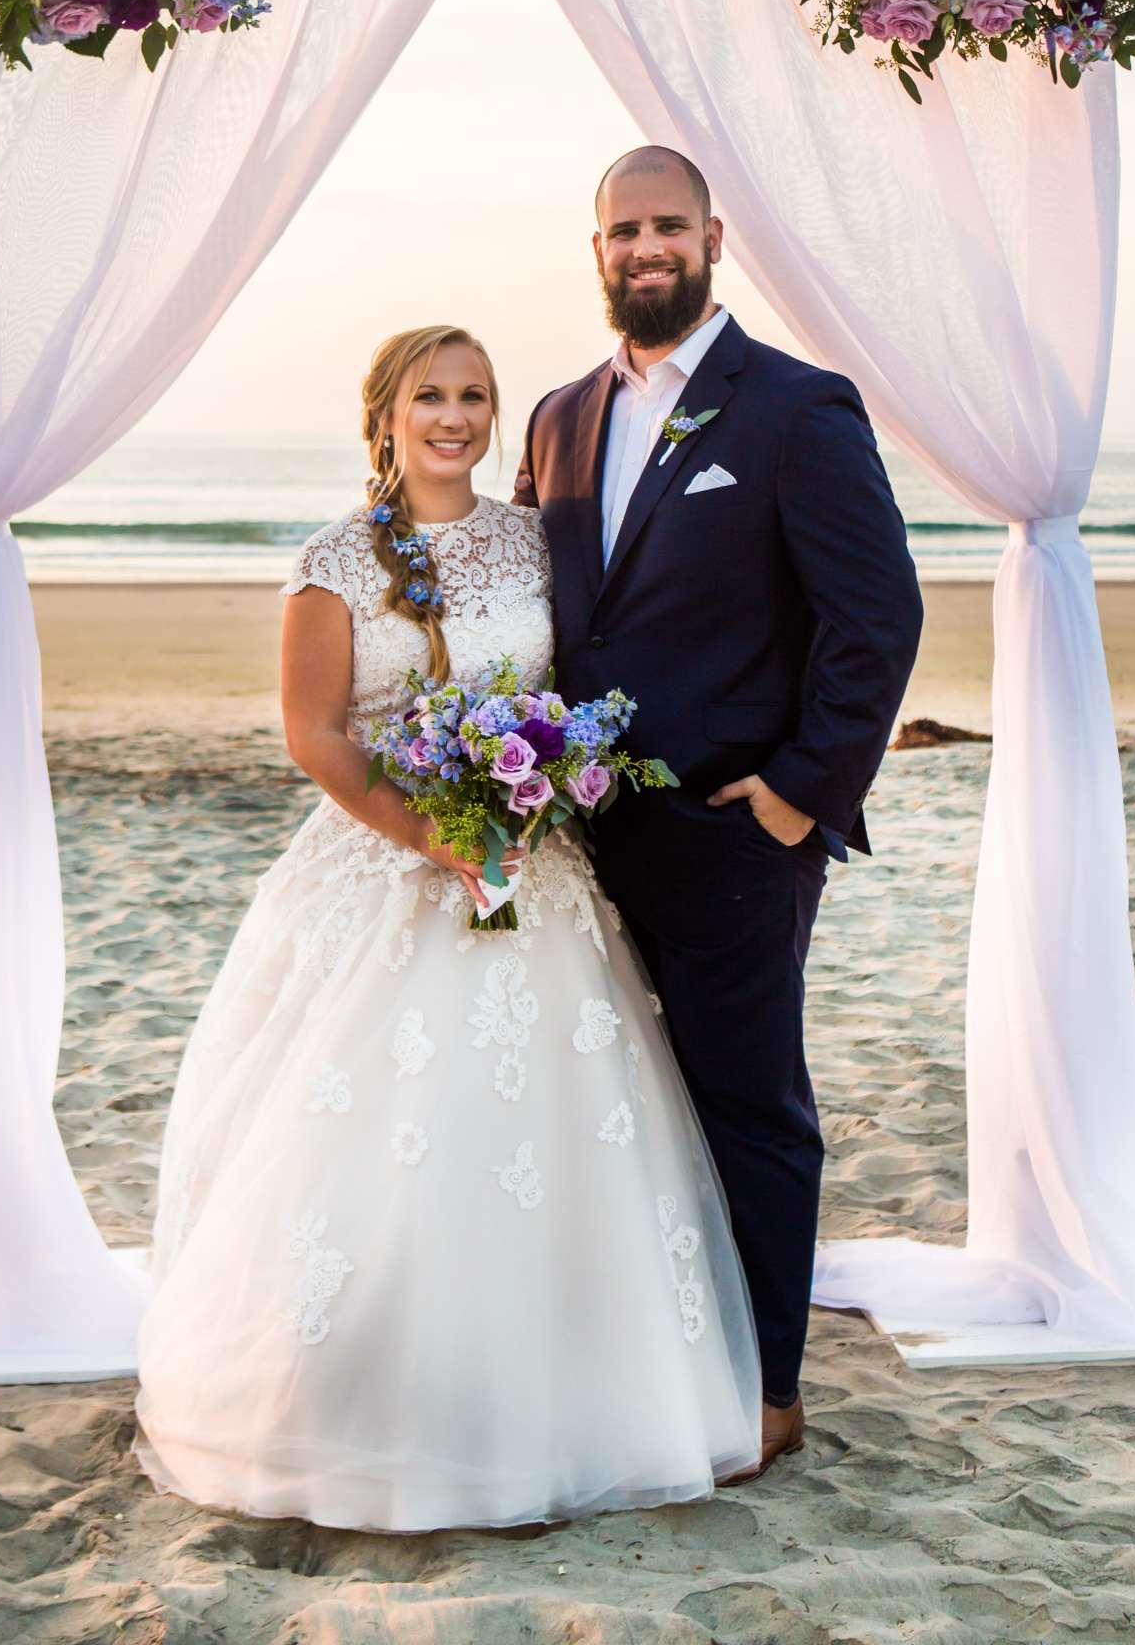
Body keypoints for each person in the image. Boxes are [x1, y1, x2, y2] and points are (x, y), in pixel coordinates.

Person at [134, 324, 762, 1531]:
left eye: (476, 396)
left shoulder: (536, 546)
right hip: (385, 870)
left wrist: (545, 787)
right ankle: (355, 1404)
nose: (457, 417)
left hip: (537, 875)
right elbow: (317, 735)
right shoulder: (332, 564)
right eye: (432, 396)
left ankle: (568, 1405)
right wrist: (433, 837)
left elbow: (591, 678)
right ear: (385, 413)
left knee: (548, 1147)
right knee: (372, 1149)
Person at [515, 148, 923, 1477]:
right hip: (579, 841)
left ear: (713, 238)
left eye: (667, 227)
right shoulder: (558, 416)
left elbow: (876, 620)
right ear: (596, 249)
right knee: (608, 1106)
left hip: (733, 838)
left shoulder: (797, 408)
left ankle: (767, 1393)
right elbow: (535, 615)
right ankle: (640, 1355)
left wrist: (802, 797)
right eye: (623, 229)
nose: (646, 248)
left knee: (748, 1108)